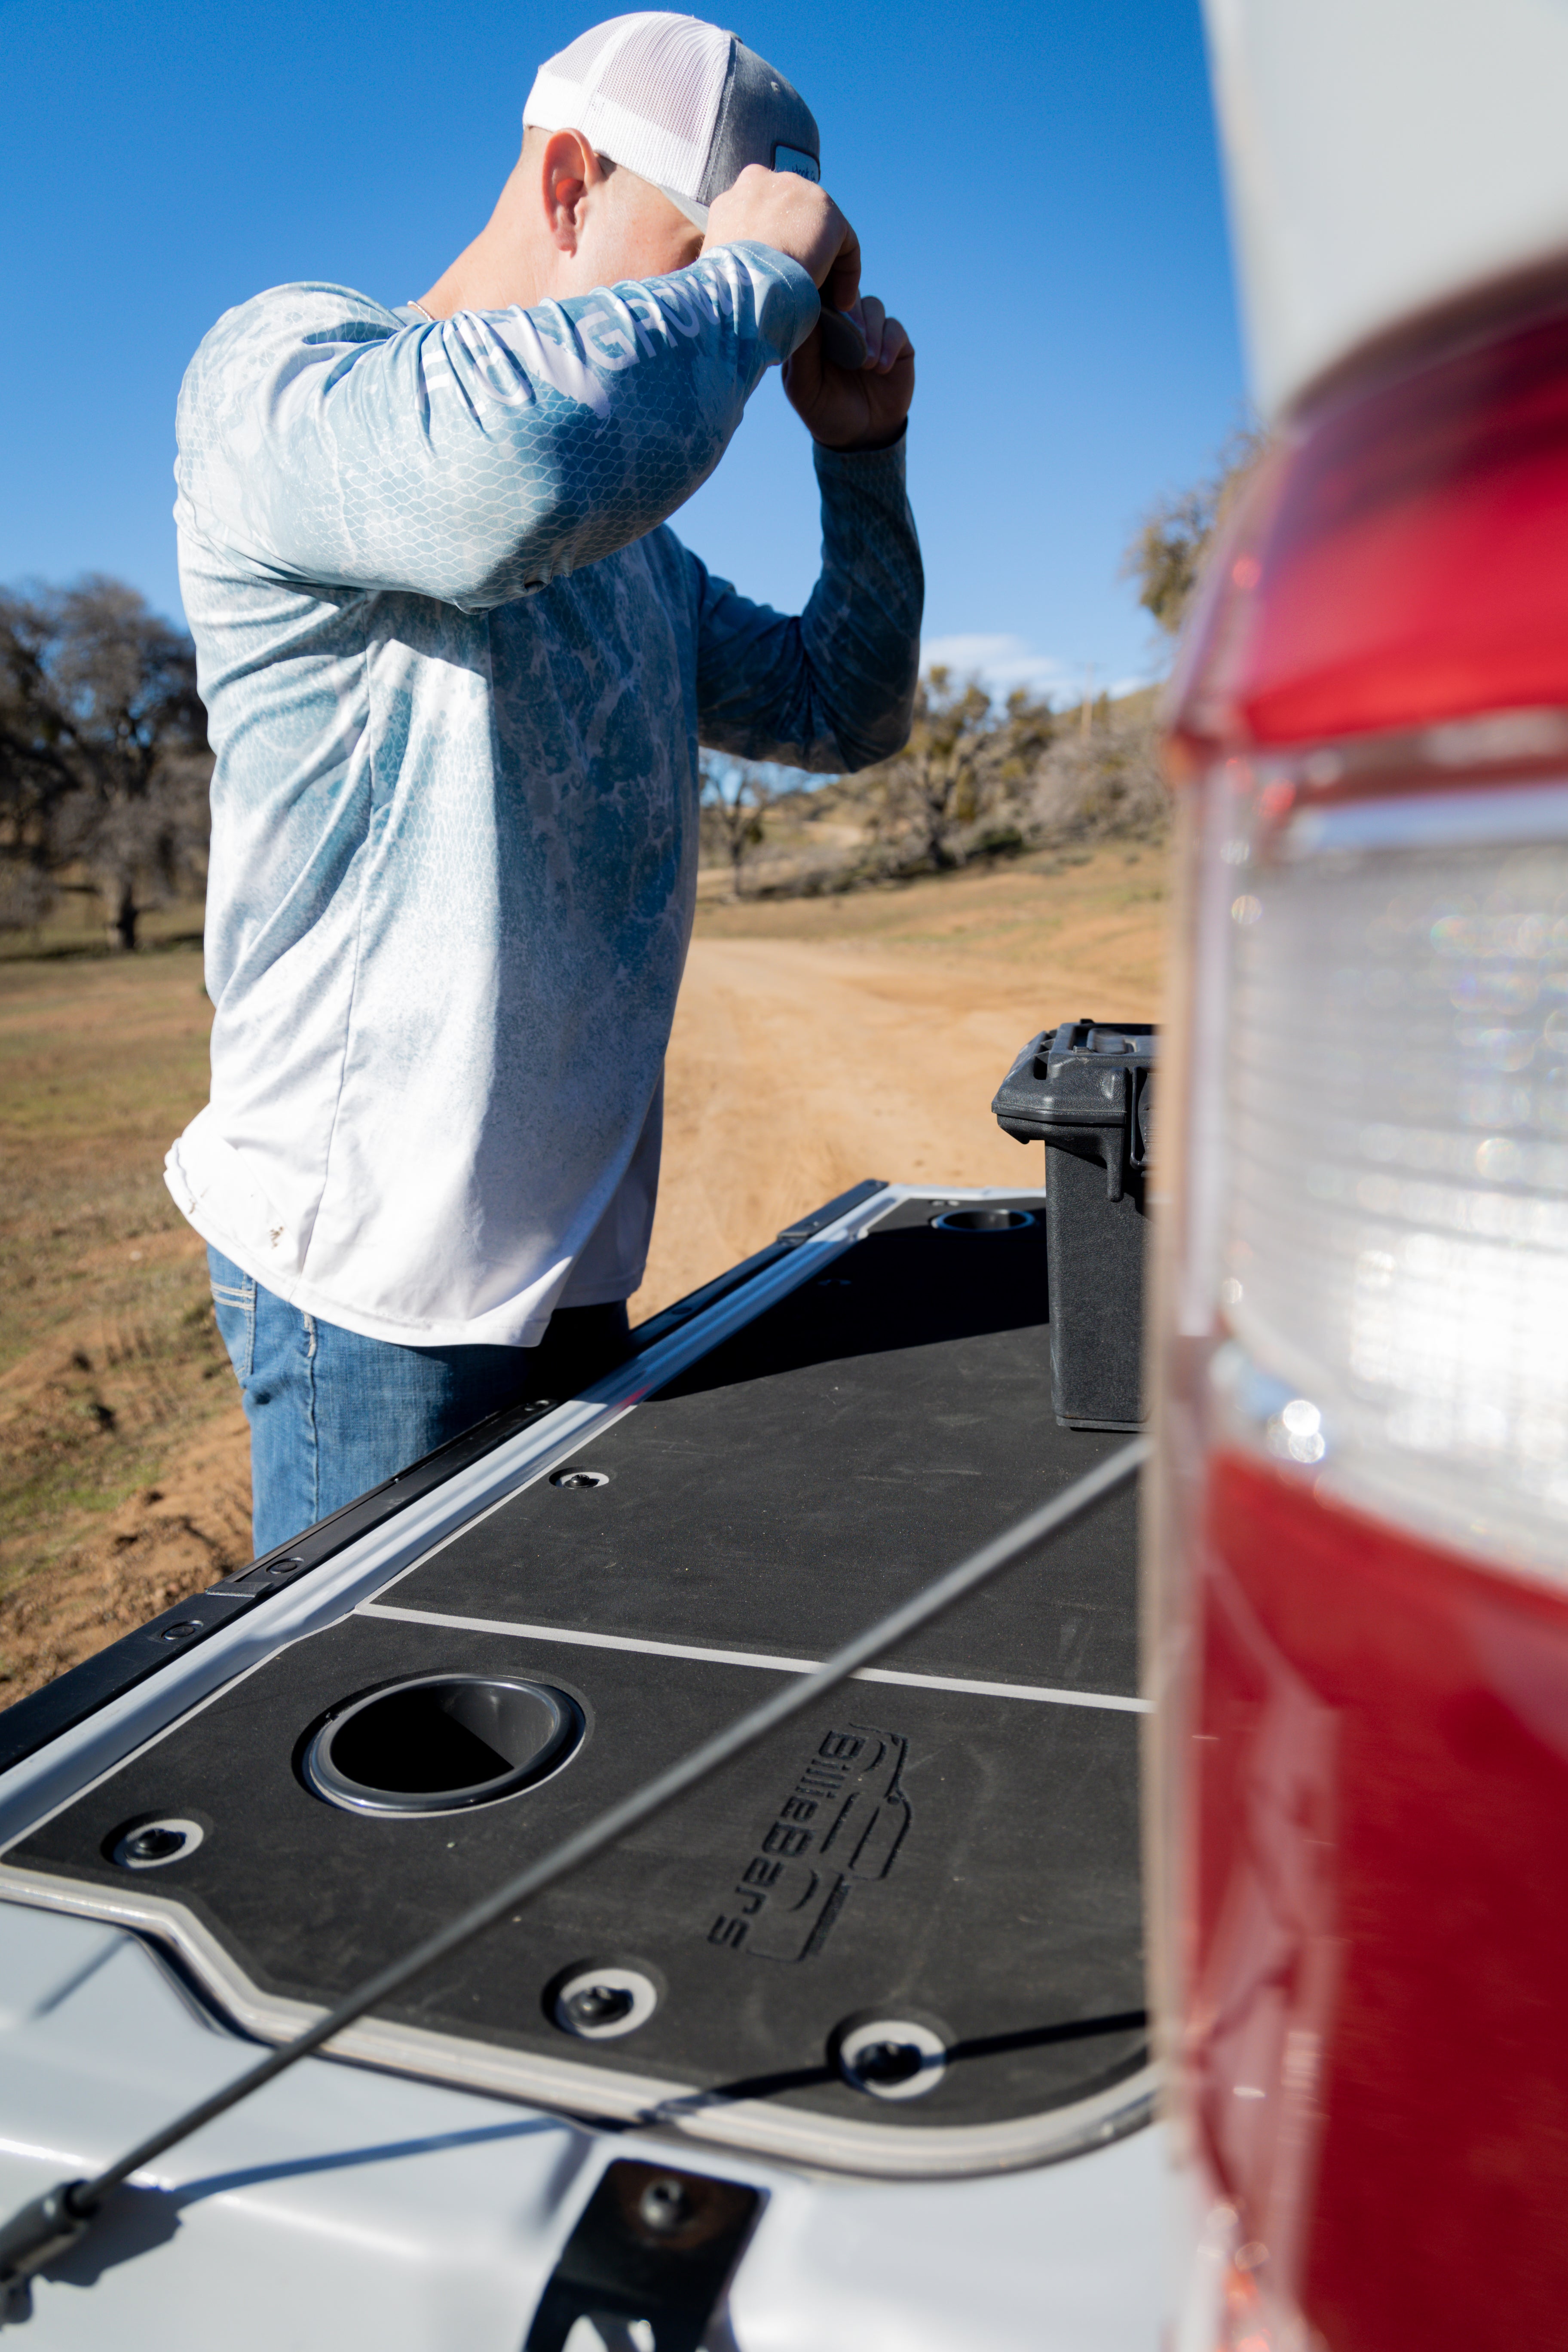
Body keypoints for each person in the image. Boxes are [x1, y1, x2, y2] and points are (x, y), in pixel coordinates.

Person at [166, 11, 922, 1557]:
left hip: (574, 1269)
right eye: (705, 254)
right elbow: (508, 477)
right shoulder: (294, 375)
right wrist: (758, 278)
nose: (752, 335)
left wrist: (864, 457)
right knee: (350, 1759)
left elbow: (845, 711)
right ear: (569, 183)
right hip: (370, 1286)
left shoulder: (640, 559)